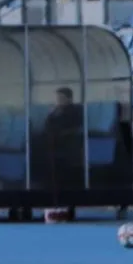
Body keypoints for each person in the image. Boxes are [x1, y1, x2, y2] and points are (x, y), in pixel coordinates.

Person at [43, 86, 84, 221]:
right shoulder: (55, 112)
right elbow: (47, 125)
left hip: (69, 148)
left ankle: (70, 207)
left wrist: (62, 134)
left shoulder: (75, 111)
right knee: (55, 178)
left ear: (69, 98)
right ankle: (56, 206)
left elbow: (77, 128)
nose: (58, 101)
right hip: (55, 149)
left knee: (69, 179)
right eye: (57, 98)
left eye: (61, 98)